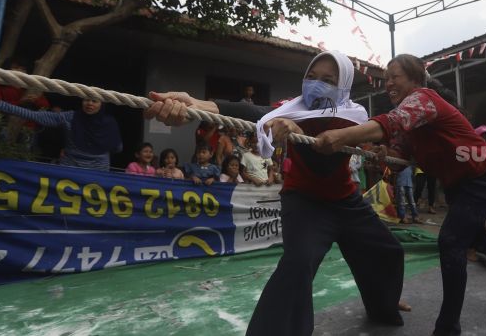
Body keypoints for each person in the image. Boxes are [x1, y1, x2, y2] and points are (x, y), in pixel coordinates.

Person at [143, 50, 407, 336]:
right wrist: (197, 104)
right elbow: (251, 112)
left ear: (343, 86)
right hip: (304, 201)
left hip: (345, 200)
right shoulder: (286, 109)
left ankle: (384, 304)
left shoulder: (354, 117)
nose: (316, 84)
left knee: (388, 250)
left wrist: (374, 149)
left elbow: (328, 162)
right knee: (298, 263)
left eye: (328, 80)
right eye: (311, 76)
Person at [312, 53, 486, 336]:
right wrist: (382, 153)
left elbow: (393, 121)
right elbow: (399, 151)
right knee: (473, 235)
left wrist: (343, 136)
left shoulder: (424, 99)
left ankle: (447, 328)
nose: (387, 83)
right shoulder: (410, 120)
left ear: (415, 80)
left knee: (451, 241)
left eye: (394, 77)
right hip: (458, 182)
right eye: (385, 78)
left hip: (483, 176)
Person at [0, 91, 121, 171]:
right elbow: (36, 116)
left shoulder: (109, 123)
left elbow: (117, 147)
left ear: (101, 104)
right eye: (86, 99)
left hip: (98, 169)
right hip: (70, 166)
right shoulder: (71, 116)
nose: (89, 103)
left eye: (94, 101)